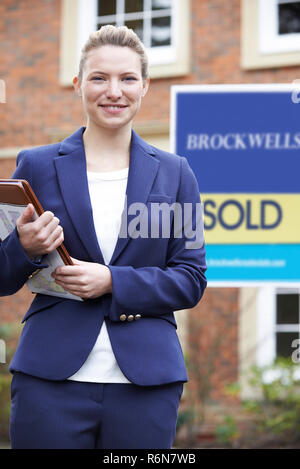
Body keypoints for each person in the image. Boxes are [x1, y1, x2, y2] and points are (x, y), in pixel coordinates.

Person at [3, 25, 207, 449]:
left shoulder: (176, 173)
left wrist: (113, 281)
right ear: (78, 85)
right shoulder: (36, 166)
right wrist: (24, 247)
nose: (114, 91)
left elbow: (190, 279)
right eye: (99, 78)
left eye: (127, 78)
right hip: (48, 379)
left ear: (145, 86)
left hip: (146, 383)